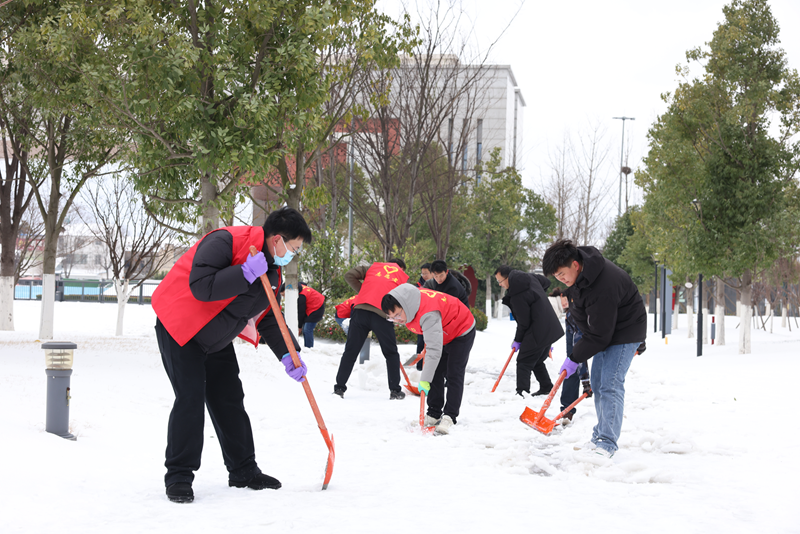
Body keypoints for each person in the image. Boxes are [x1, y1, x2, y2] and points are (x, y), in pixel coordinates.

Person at [151, 207, 312, 503]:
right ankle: (179, 476)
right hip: (180, 329)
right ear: (277, 239)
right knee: (190, 398)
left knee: (229, 398)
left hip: (215, 336)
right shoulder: (226, 241)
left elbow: (268, 316)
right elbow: (201, 286)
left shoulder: (273, 273)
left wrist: (290, 354)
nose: (293, 255)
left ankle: (243, 470)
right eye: (294, 248)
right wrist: (244, 272)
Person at [542, 239, 647, 460]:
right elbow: (585, 317)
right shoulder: (580, 279)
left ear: (575, 264)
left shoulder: (603, 283)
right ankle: (600, 436)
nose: (560, 280)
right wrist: (577, 350)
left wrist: (575, 357)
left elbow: (601, 334)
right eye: (556, 277)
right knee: (599, 383)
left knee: (609, 384)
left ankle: (607, 443)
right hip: (606, 330)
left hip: (625, 331)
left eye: (562, 274)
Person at [381, 284, 476, 435]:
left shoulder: (428, 313)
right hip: (443, 330)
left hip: (461, 329)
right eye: (391, 318)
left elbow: (434, 351)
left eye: (398, 315)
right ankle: (433, 413)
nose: (397, 320)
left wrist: (424, 380)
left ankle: (449, 416)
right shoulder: (411, 306)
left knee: (454, 373)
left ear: (405, 305)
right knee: (436, 371)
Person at [333, 258, 409, 400]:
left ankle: (339, 388)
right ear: (400, 267)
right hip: (381, 315)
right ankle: (395, 391)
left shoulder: (372, 268)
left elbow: (349, 275)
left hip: (360, 311)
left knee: (350, 352)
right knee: (391, 353)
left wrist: (365, 292)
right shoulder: (400, 274)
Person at [494, 265, 564, 397]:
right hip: (549, 325)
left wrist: (518, 340)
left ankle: (522, 393)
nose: (500, 285)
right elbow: (546, 282)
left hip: (537, 330)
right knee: (536, 360)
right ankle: (546, 387)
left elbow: (524, 323)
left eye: (500, 281)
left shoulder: (517, 296)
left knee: (524, 361)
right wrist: (537, 297)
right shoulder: (530, 278)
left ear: (508, 278)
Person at [550, 287, 591, 424]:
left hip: (601, 339)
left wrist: (585, 380)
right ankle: (567, 409)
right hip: (582, 338)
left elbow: (580, 349)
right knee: (571, 368)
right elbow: (574, 352)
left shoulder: (579, 311)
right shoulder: (570, 315)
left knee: (603, 374)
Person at [280, 282, 326, 348]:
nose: (284, 297)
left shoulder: (301, 296)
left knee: (307, 329)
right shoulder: (297, 287)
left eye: (284, 294)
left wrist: (299, 326)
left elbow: (301, 312)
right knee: (306, 328)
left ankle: (309, 347)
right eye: (282, 295)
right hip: (312, 306)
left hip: (317, 308)